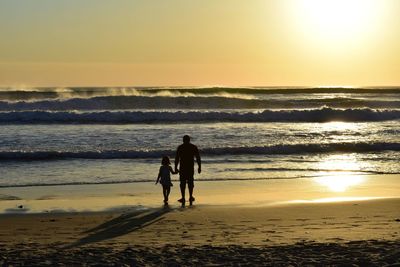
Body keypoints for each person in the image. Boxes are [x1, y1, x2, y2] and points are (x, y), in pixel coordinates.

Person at [175, 135, 201, 205]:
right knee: (190, 182)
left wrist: (175, 167)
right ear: (189, 140)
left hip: (183, 167)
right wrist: (199, 167)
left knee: (182, 183)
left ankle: (183, 197)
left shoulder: (180, 147)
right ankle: (190, 196)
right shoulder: (193, 147)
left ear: (183, 140)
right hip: (190, 167)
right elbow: (198, 158)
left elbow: (177, 158)